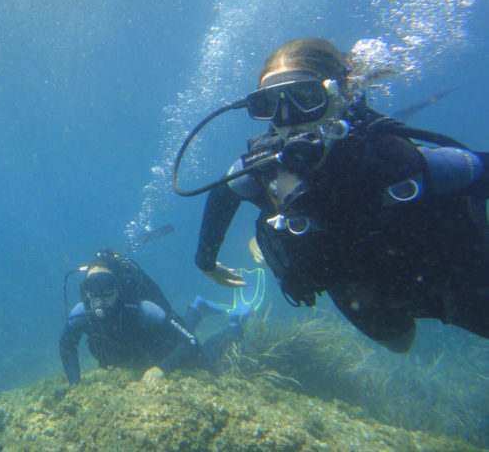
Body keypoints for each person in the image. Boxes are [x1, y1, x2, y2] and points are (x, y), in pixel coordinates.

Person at [186, 37, 489, 353]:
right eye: (270, 104)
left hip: (450, 277)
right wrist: (206, 262)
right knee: (398, 343)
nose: (289, 117)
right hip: (358, 290)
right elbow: (223, 194)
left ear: (340, 94)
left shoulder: (397, 160)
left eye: (306, 97)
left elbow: (475, 168)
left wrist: (206, 262)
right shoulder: (263, 170)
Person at [59, 249, 260, 384]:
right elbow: (67, 344)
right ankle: (197, 309)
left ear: (119, 287)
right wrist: (75, 384)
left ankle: (235, 325)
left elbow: (189, 340)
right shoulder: (81, 313)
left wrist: (162, 367)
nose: (99, 297)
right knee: (185, 328)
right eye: (93, 288)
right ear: (85, 290)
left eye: (106, 286)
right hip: (136, 359)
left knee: (205, 360)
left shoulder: (144, 310)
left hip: (165, 352)